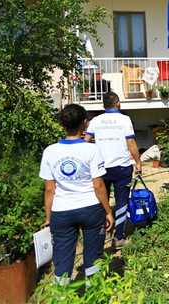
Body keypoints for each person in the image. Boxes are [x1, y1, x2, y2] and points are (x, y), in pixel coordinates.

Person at [39, 104, 114, 285]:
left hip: (61, 211)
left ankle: (61, 297)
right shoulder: (92, 150)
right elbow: (98, 186)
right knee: (94, 255)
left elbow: (49, 189)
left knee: (62, 259)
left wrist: (49, 217)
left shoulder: (50, 151)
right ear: (85, 123)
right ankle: (95, 294)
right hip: (90, 210)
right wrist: (108, 211)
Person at [85, 91, 142, 250]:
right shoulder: (124, 119)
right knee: (121, 201)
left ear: (103, 106)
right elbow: (130, 142)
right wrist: (138, 162)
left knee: (101, 201)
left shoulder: (95, 121)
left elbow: (86, 141)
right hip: (121, 167)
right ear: (118, 104)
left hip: (100, 168)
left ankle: (100, 235)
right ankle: (118, 237)